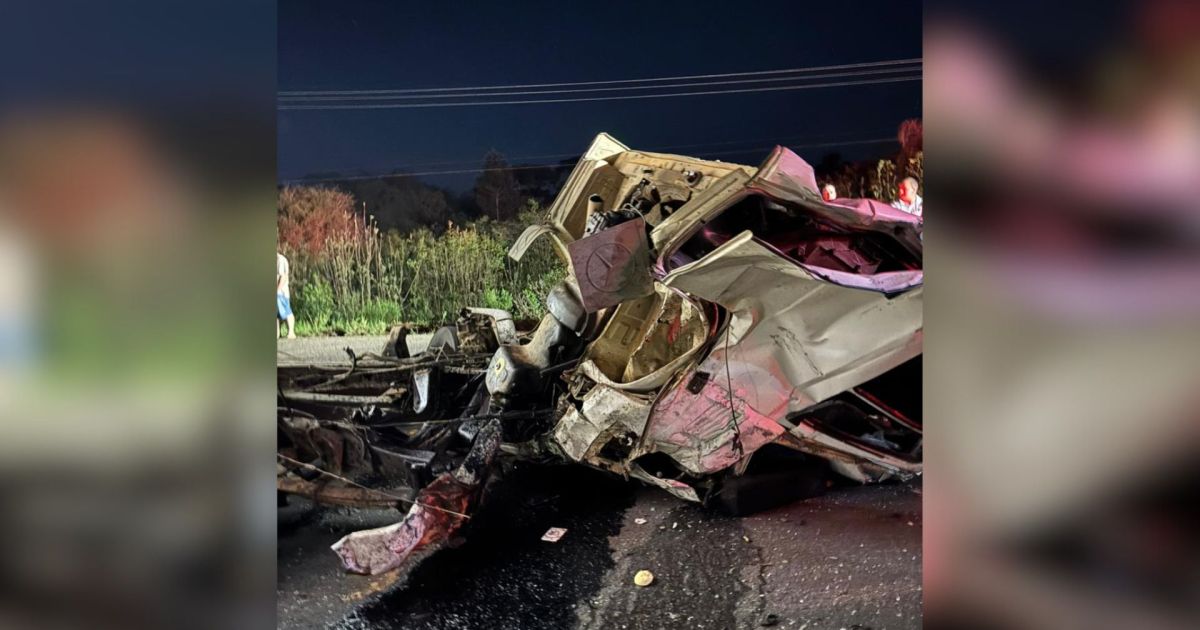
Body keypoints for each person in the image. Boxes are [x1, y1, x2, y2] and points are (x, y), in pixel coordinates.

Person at [277, 251, 296, 339]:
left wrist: (278, 290)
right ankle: (278, 333)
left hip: (281, 292)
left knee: (286, 311)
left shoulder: (281, 260)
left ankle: (291, 332)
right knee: (277, 314)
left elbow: (283, 277)